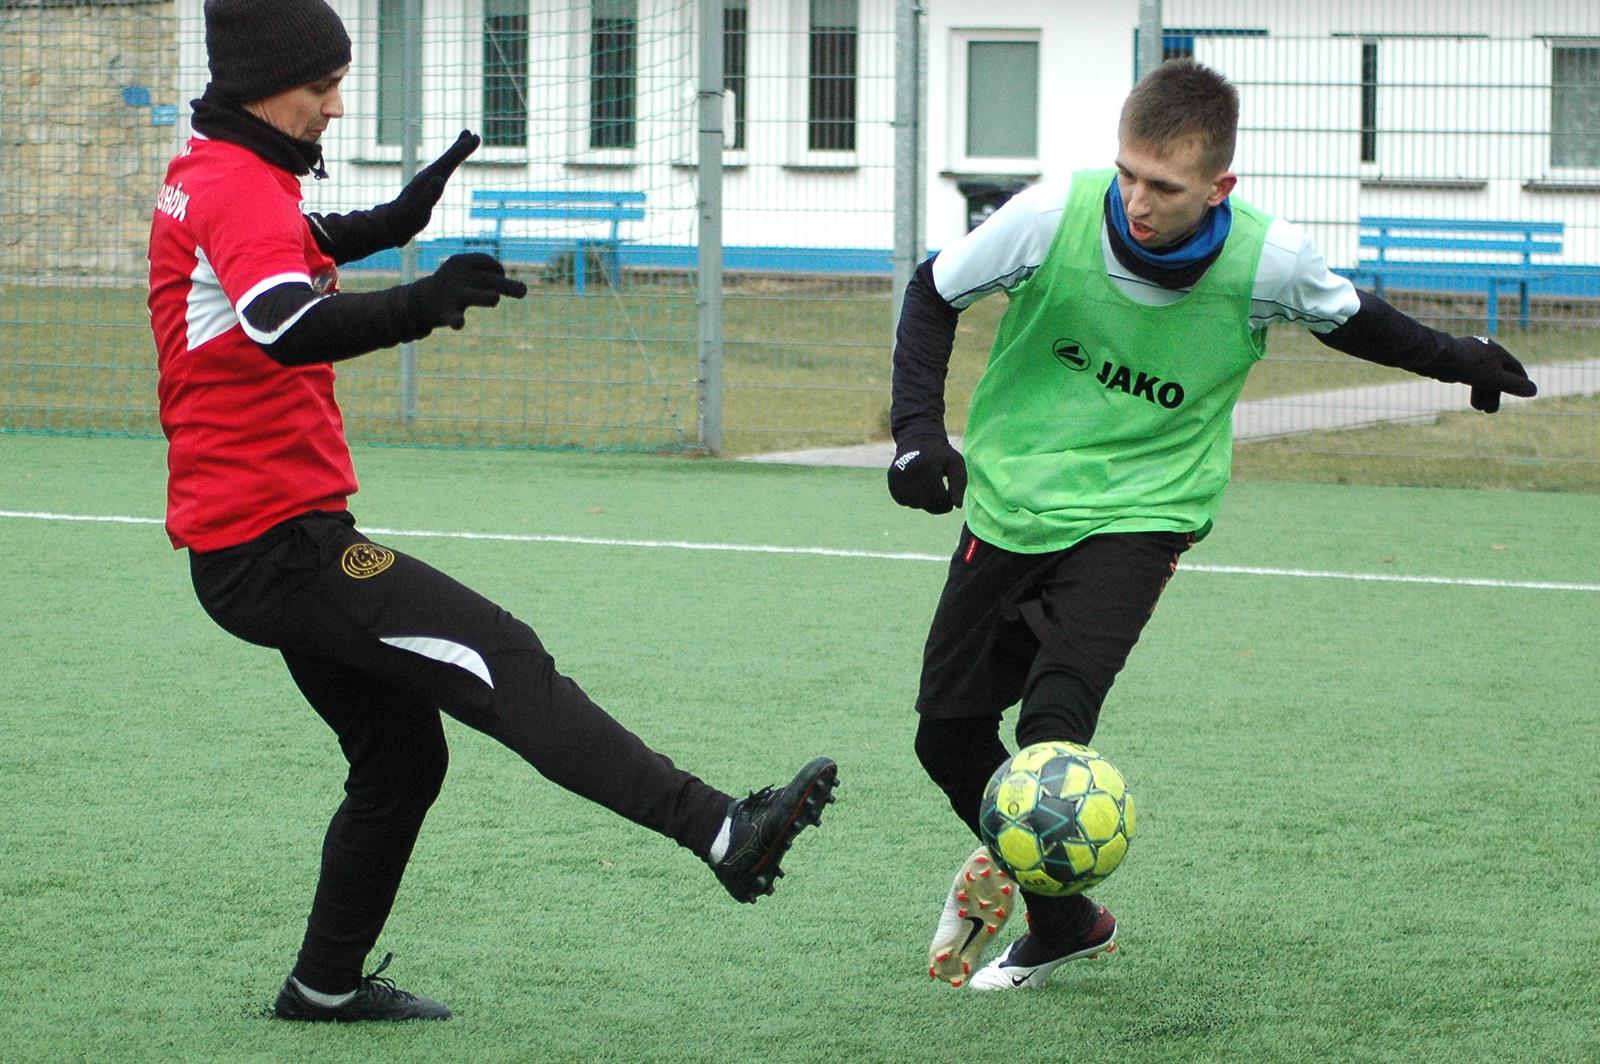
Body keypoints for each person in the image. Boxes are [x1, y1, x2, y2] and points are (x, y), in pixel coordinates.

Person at [149, 0, 837, 1023]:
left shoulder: (219, 168)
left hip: (262, 540)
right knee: (504, 660)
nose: (337, 106)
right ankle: (722, 832)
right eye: (322, 87)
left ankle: (324, 982)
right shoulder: (239, 182)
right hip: (275, 547)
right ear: (259, 83)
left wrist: (398, 221)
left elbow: (300, 243)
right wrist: (418, 300)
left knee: (401, 756)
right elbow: (284, 323)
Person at [888, 60, 1535, 992]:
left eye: (1165, 185)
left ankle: (1038, 865)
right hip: (1013, 502)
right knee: (945, 740)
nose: (1138, 201)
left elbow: (1353, 319)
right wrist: (917, 434)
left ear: (1219, 186)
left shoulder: (1267, 259)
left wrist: (1461, 358)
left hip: (1147, 511)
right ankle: (1066, 916)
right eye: (1128, 174)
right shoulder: (1049, 217)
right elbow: (931, 289)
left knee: (1053, 722)